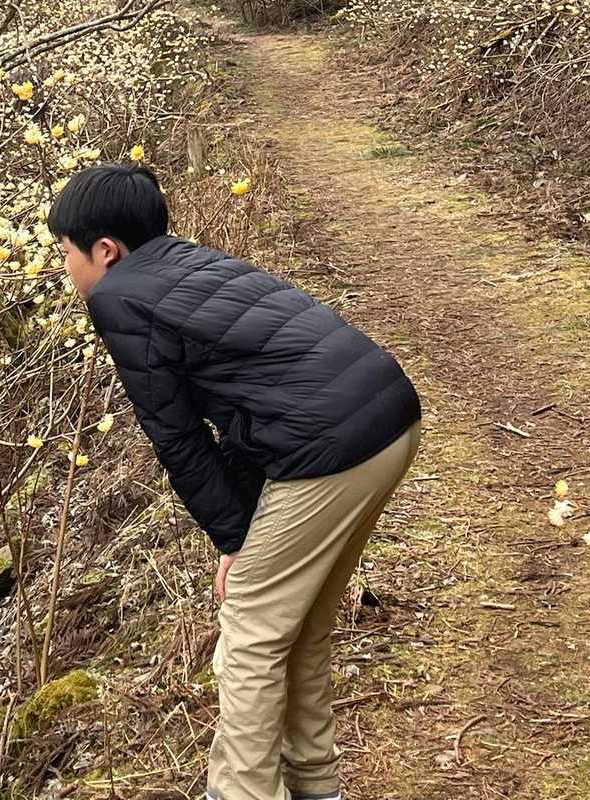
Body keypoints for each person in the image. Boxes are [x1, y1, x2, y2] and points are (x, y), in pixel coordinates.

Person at [48, 162, 422, 800]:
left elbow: (180, 439)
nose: (66, 270)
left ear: (105, 250)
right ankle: (315, 784)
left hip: (330, 450)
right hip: (388, 421)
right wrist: (241, 530)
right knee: (297, 626)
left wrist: (233, 540)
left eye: (65, 253)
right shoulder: (191, 263)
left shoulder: (118, 295)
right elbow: (255, 405)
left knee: (250, 630)